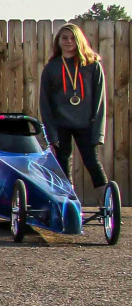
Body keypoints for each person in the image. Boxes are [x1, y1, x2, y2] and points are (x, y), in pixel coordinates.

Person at [40, 22, 110, 195]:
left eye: (73, 38)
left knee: (92, 163)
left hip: (86, 124)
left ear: (80, 40)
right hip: (61, 124)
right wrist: (51, 133)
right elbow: (45, 103)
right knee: (63, 164)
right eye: (64, 38)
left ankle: (107, 204)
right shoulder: (51, 68)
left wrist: (98, 132)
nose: (69, 41)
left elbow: (100, 102)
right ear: (58, 41)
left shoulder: (92, 65)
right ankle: (68, 203)